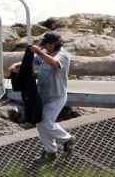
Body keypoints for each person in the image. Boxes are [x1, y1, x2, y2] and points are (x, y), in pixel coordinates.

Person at [9, 32, 73, 165]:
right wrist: (17, 65)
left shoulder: (63, 55)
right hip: (42, 96)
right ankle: (50, 151)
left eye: (46, 45)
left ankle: (67, 139)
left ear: (54, 44)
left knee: (47, 122)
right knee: (39, 122)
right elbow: (35, 60)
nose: (44, 48)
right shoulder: (45, 54)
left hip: (56, 96)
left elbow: (54, 62)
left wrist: (39, 52)